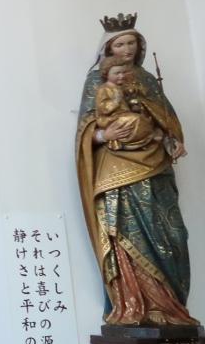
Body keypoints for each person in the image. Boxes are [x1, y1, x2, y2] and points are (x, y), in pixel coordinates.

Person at [76, 19, 196, 326]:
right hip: (117, 164)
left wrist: (171, 140)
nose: (127, 49)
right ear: (108, 48)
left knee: (171, 232)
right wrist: (103, 135)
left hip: (155, 162)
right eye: (120, 44)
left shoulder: (147, 79)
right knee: (126, 228)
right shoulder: (97, 80)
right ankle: (136, 304)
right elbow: (86, 126)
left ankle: (171, 307)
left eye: (132, 43)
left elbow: (164, 118)